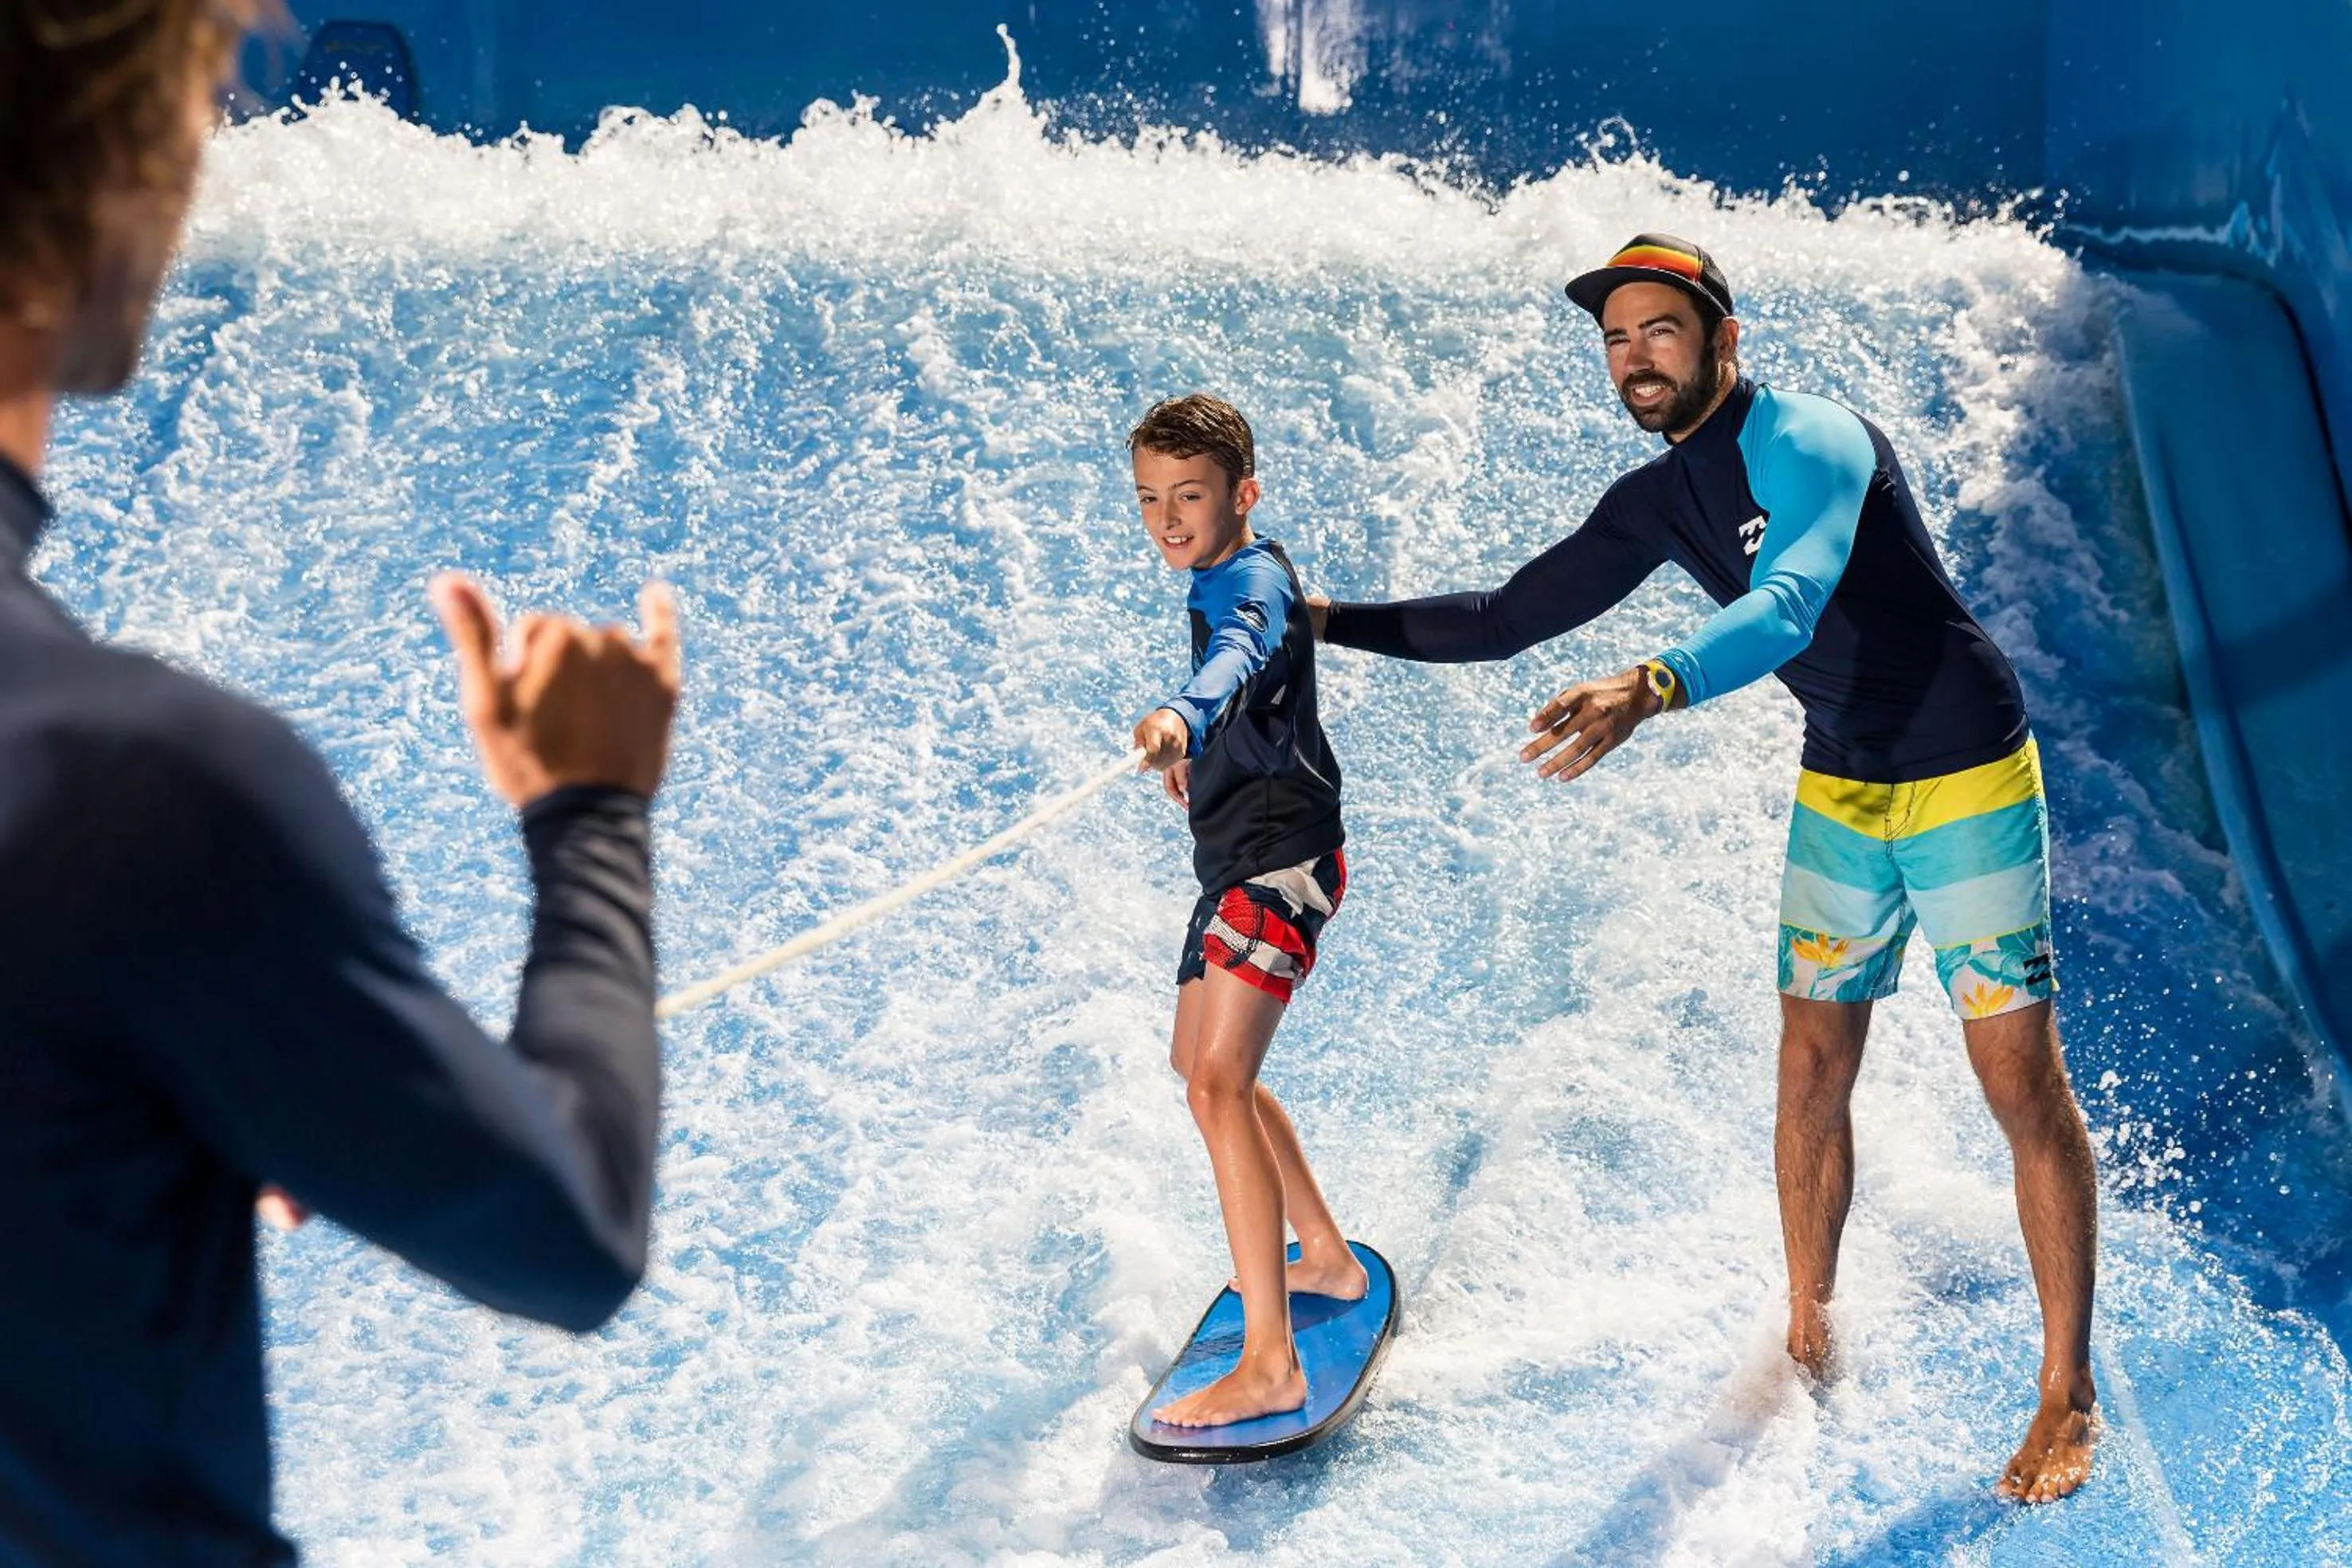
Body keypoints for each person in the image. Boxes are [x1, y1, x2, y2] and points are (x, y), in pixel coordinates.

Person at [0, 2, 682, 1559]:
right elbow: (567, 1230)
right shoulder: (143, 790)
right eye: (187, 125)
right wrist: (590, 820)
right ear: (105, 190)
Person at [1311, 235, 2102, 1502]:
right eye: (1616, 339)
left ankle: (2067, 1389)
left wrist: (1655, 681)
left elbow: (1789, 604)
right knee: (1808, 1068)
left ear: (1723, 337)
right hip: (1844, 778)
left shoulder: (1816, 440)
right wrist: (1322, 625)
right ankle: (1809, 1327)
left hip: (1963, 769)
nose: (1634, 358)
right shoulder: (1651, 502)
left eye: (1658, 331)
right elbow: (1506, 617)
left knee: (2016, 1079)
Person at [1126, 394, 1362, 1428]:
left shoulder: (1253, 579)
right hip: (1236, 860)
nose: (1169, 518)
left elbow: (1243, 649)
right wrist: (1204, 755)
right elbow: (1242, 682)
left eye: (1191, 496)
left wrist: (1186, 716)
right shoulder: (1216, 571)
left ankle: (1272, 1363)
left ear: (1243, 495)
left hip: (1281, 866)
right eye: (1149, 499)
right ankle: (1329, 1259)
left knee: (1220, 1086)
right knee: (1204, 1072)